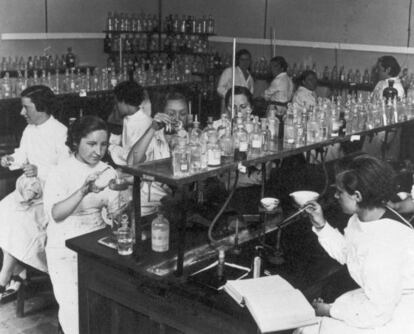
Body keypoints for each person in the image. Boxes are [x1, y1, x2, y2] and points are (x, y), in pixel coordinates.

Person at [295, 155, 414, 334]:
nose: (335, 196)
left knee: (307, 330)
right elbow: (350, 254)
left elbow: (378, 312)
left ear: (357, 196)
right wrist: (321, 224)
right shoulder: (366, 217)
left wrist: (329, 311)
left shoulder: (382, 245)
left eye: (340, 191)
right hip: (382, 298)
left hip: (398, 315)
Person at [44, 116, 120, 334]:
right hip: (64, 245)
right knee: (74, 307)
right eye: (92, 144)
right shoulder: (60, 172)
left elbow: (116, 215)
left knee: (105, 302)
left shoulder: (108, 172)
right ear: (76, 141)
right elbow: (56, 214)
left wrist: (121, 212)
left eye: (104, 144)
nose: (98, 151)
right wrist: (83, 190)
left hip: (96, 241)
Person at [0, 85, 69, 301]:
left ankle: (6, 277)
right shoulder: (29, 130)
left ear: (41, 108)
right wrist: (11, 160)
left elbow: (66, 171)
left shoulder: (61, 132)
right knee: (3, 210)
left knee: (20, 222)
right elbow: (23, 154)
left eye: (25, 108)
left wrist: (41, 171)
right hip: (30, 191)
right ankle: (16, 273)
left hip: (51, 195)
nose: (22, 113)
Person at [127, 92, 192, 217]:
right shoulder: (153, 137)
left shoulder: (193, 141)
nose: (177, 118)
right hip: (149, 209)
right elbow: (131, 162)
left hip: (177, 209)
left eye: (182, 114)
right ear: (163, 114)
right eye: (171, 114)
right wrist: (152, 128)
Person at [364, 56, 404, 160]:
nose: (377, 71)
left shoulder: (396, 88)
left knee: (377, 162)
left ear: (389, 70)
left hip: (384, 133)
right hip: (373, 128)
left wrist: (388, 140)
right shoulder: (381, 83)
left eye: (379, 69)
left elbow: (395, 117)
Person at [108, 80, 152, 166]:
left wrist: (112, 148)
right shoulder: (129, 118)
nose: (116, 106)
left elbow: (133, 157)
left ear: (123, 101)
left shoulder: (142, 123)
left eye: (117, 103)